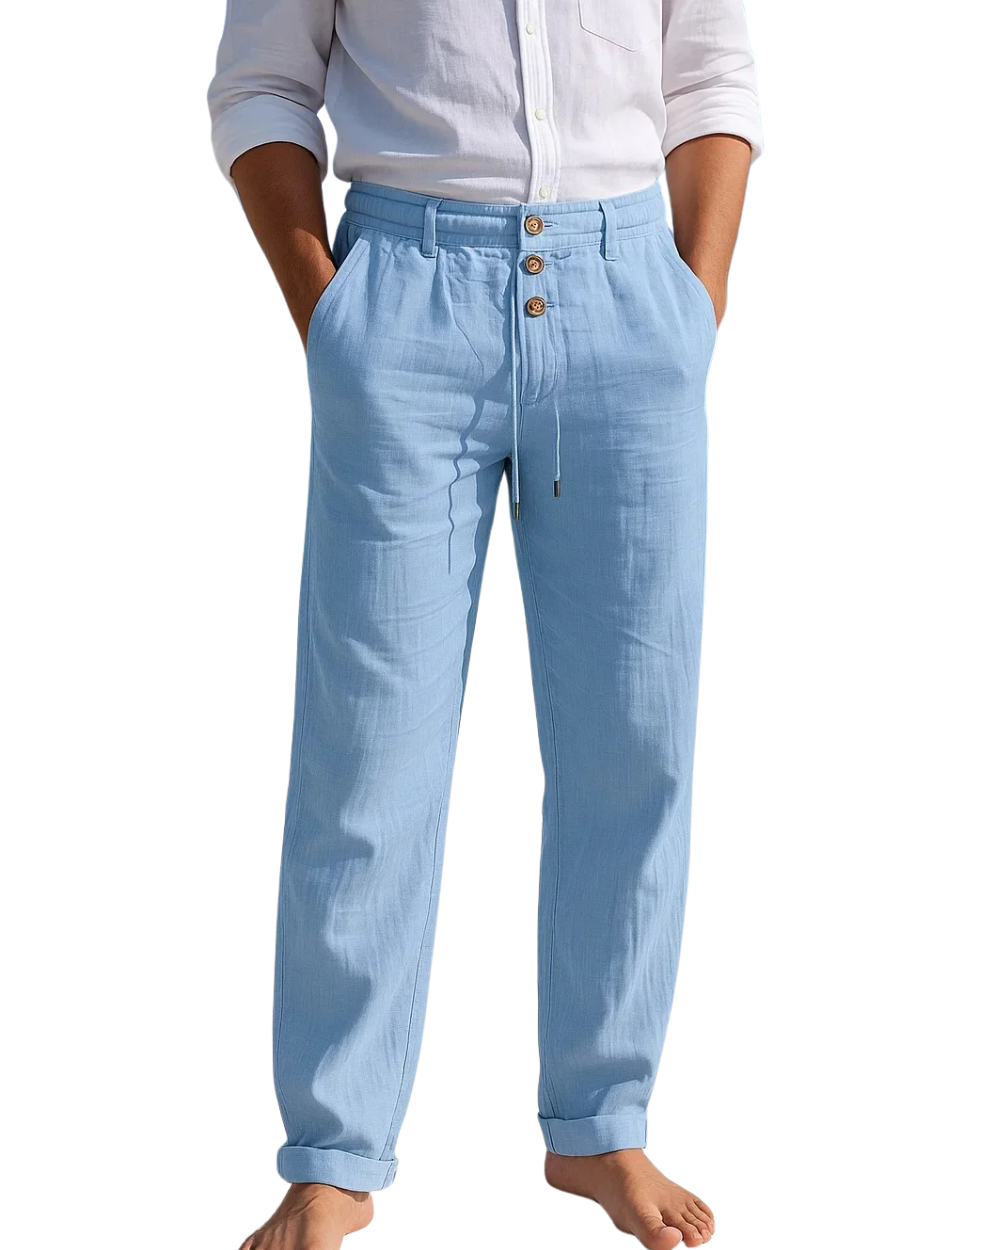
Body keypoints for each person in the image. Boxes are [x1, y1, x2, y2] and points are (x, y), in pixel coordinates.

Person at [208, 2, 762, 1245]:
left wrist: (694, 305)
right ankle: (335, 1150)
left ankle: (601, 1121)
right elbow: (259, 86)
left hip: (627, 295)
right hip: (405, 301)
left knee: (633, 742)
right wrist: (331, 318)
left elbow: (712, 76)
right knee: (368, 753)